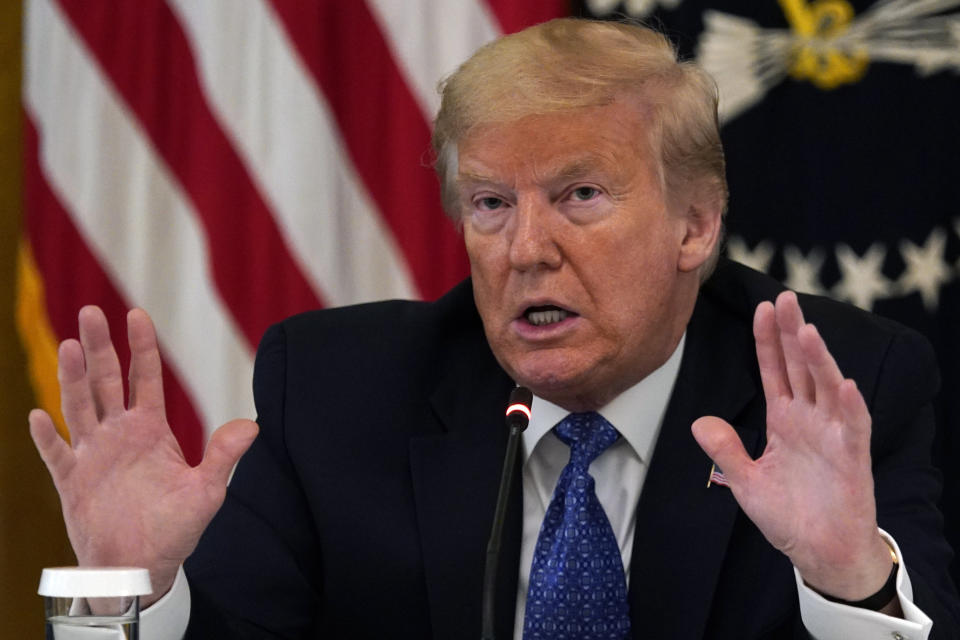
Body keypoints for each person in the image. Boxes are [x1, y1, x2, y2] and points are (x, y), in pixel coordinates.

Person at [30, 18, 959, 639]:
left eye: (579, 196)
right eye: (488, 203)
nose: (525, 250)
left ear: (696, 225)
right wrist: (128, 594)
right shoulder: (335, 392)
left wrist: (851, 586)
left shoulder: (838, 391)